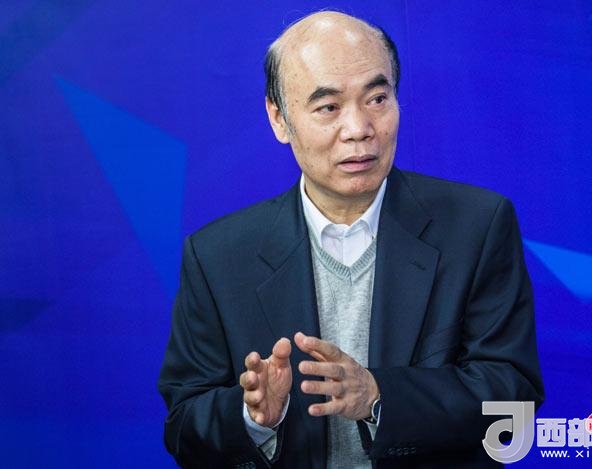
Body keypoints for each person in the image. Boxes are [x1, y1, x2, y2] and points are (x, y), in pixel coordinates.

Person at [158, 10, 544, 469]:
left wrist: (379, 396)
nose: (360, 128)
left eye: (377, 98)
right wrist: (254, 417)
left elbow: (513, 398)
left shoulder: (477, 227)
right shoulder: (218, 256)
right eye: (329, 107)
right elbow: (183, 426)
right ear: (279, 119)